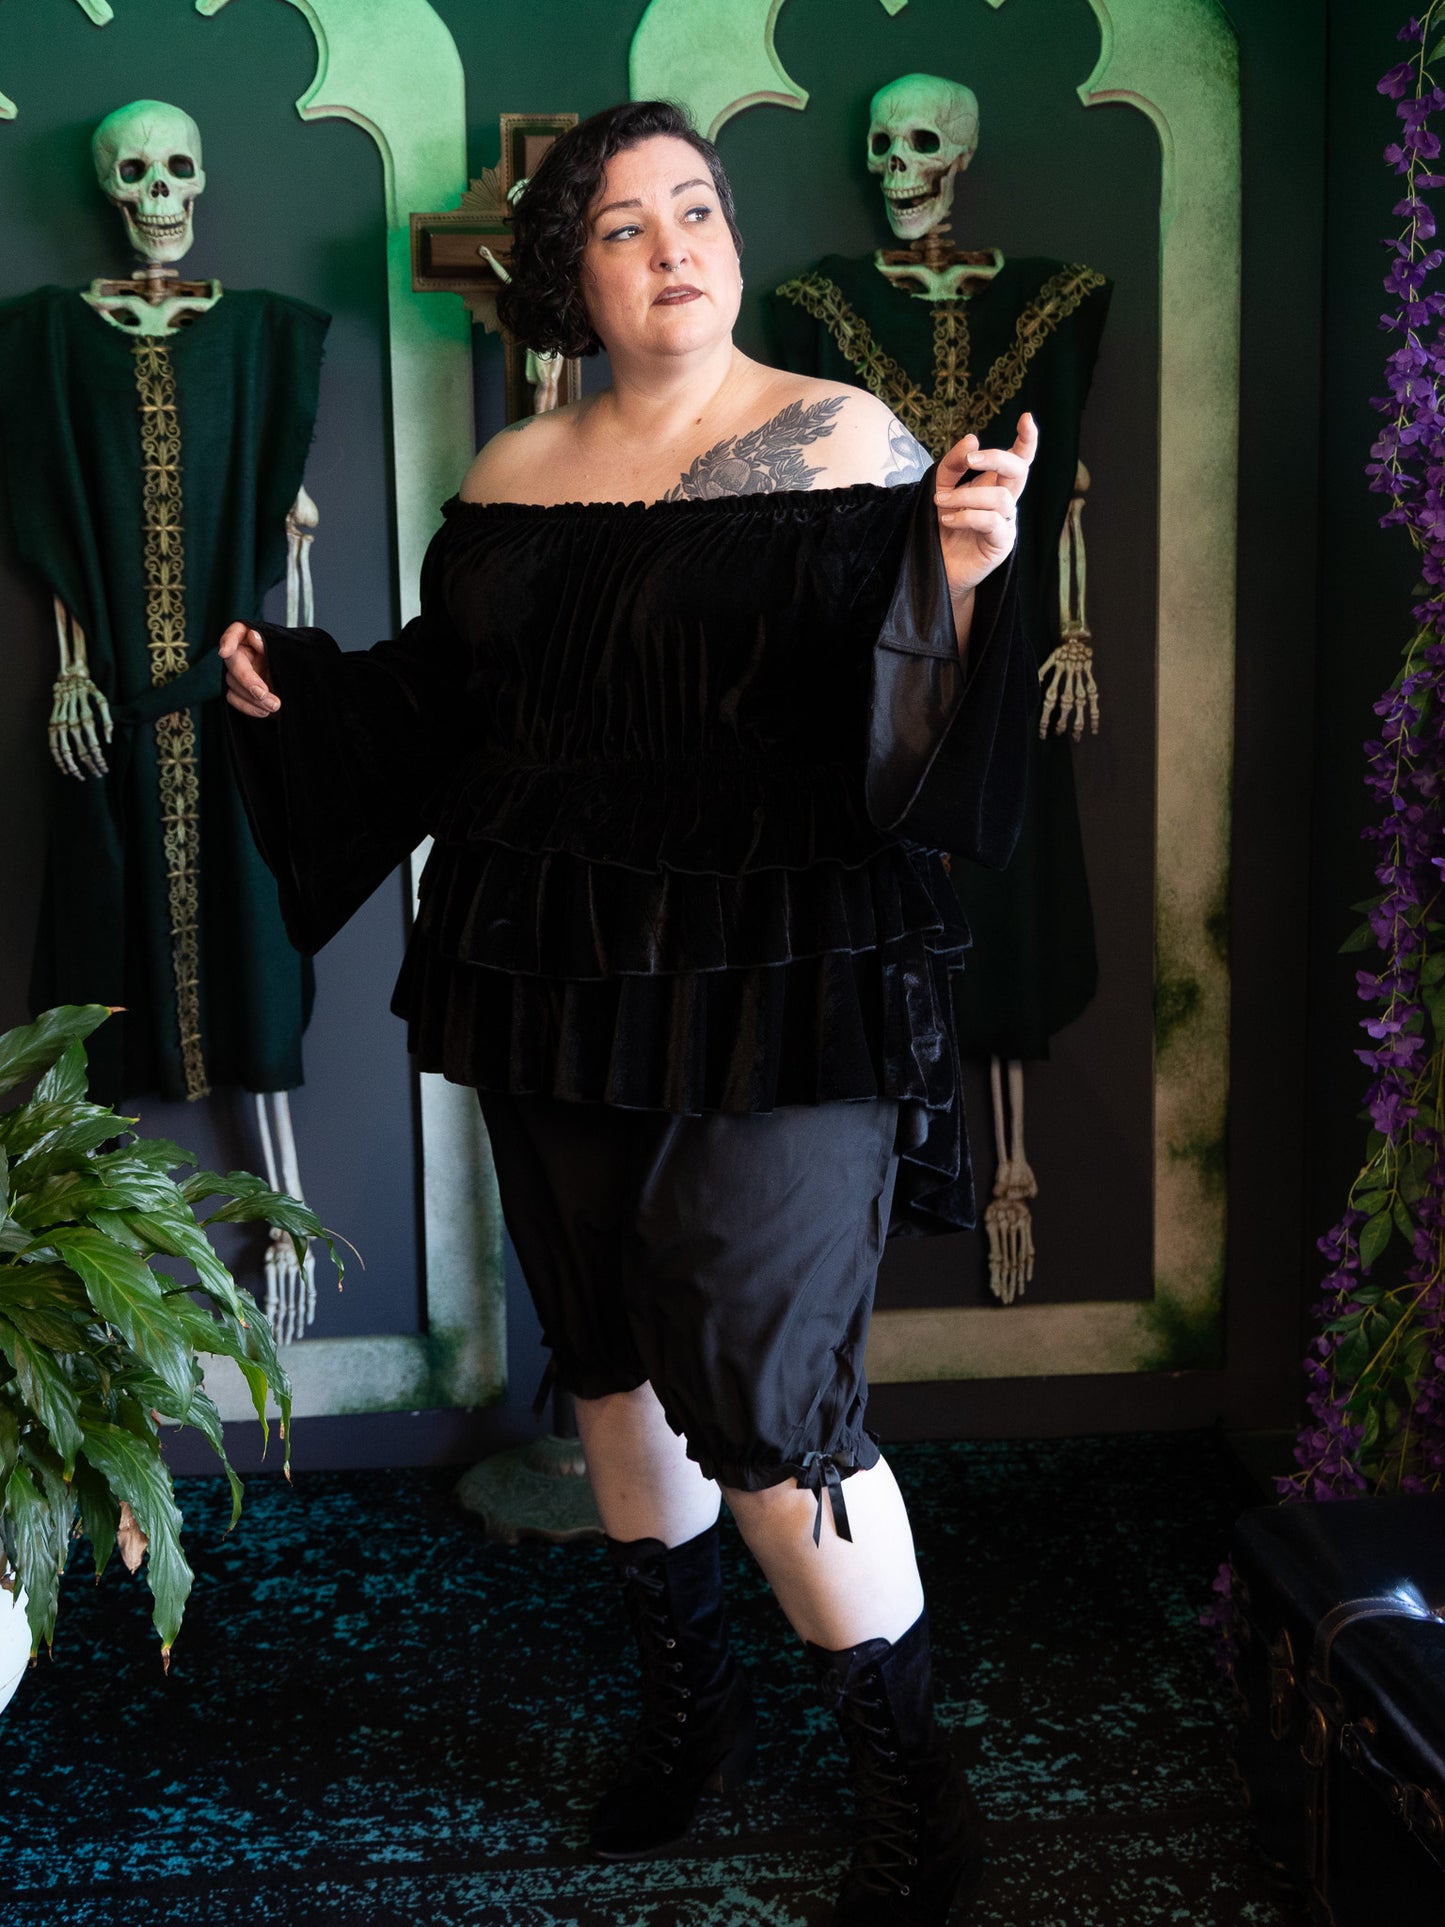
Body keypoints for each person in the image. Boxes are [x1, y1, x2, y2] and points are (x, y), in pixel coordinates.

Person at [219, 100, 1036, 1927]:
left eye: (699, 208)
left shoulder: (847, 438)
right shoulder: (516, 471)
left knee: (767, 1389)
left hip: (780, 977)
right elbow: (447, 714)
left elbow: (913, 716)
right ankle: (690, 1706)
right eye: (621, 225)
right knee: (604, 1354)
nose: (675, 247)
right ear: (563, 276)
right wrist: (297, 701)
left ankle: (914, 1793)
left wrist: (969, 580)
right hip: (552, 969)